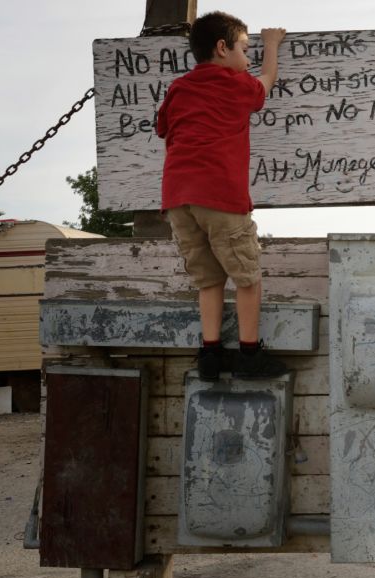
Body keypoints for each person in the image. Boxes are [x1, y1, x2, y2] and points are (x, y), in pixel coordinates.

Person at [156, 12, 288, 380]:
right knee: (247, 276)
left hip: (179, 198)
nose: (248, 59)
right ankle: (249, 355)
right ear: (222, 48)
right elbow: (267, 81)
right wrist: (272, 45)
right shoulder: (236, 83)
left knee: (208, 279)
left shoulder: (179, 87)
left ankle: (210, 355)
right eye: (246, 50)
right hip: (220, 195)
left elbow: (162, 126)